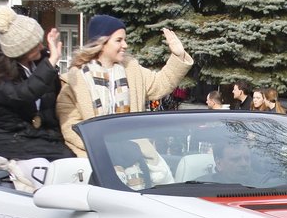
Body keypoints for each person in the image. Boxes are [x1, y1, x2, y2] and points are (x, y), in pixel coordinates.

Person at [57, 14, 193, 157]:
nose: (125, 45)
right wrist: (109, 149)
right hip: (94, 160)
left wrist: (178, 55)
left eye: (125, 40)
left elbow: (160, 84)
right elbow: (70, 129)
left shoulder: (132, 70)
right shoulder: (73, 81)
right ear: (101, 43)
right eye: (118, 40)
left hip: (135, 156)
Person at [0, 6, 73, 161]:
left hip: (42, 136)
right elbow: (22, 94)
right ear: (21, 49)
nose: (42, 47)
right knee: (62, 163)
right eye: (36, 44)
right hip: (10, 138)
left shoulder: (39, 63)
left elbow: (53, 102)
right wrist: (50, 64)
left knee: (74, 160)